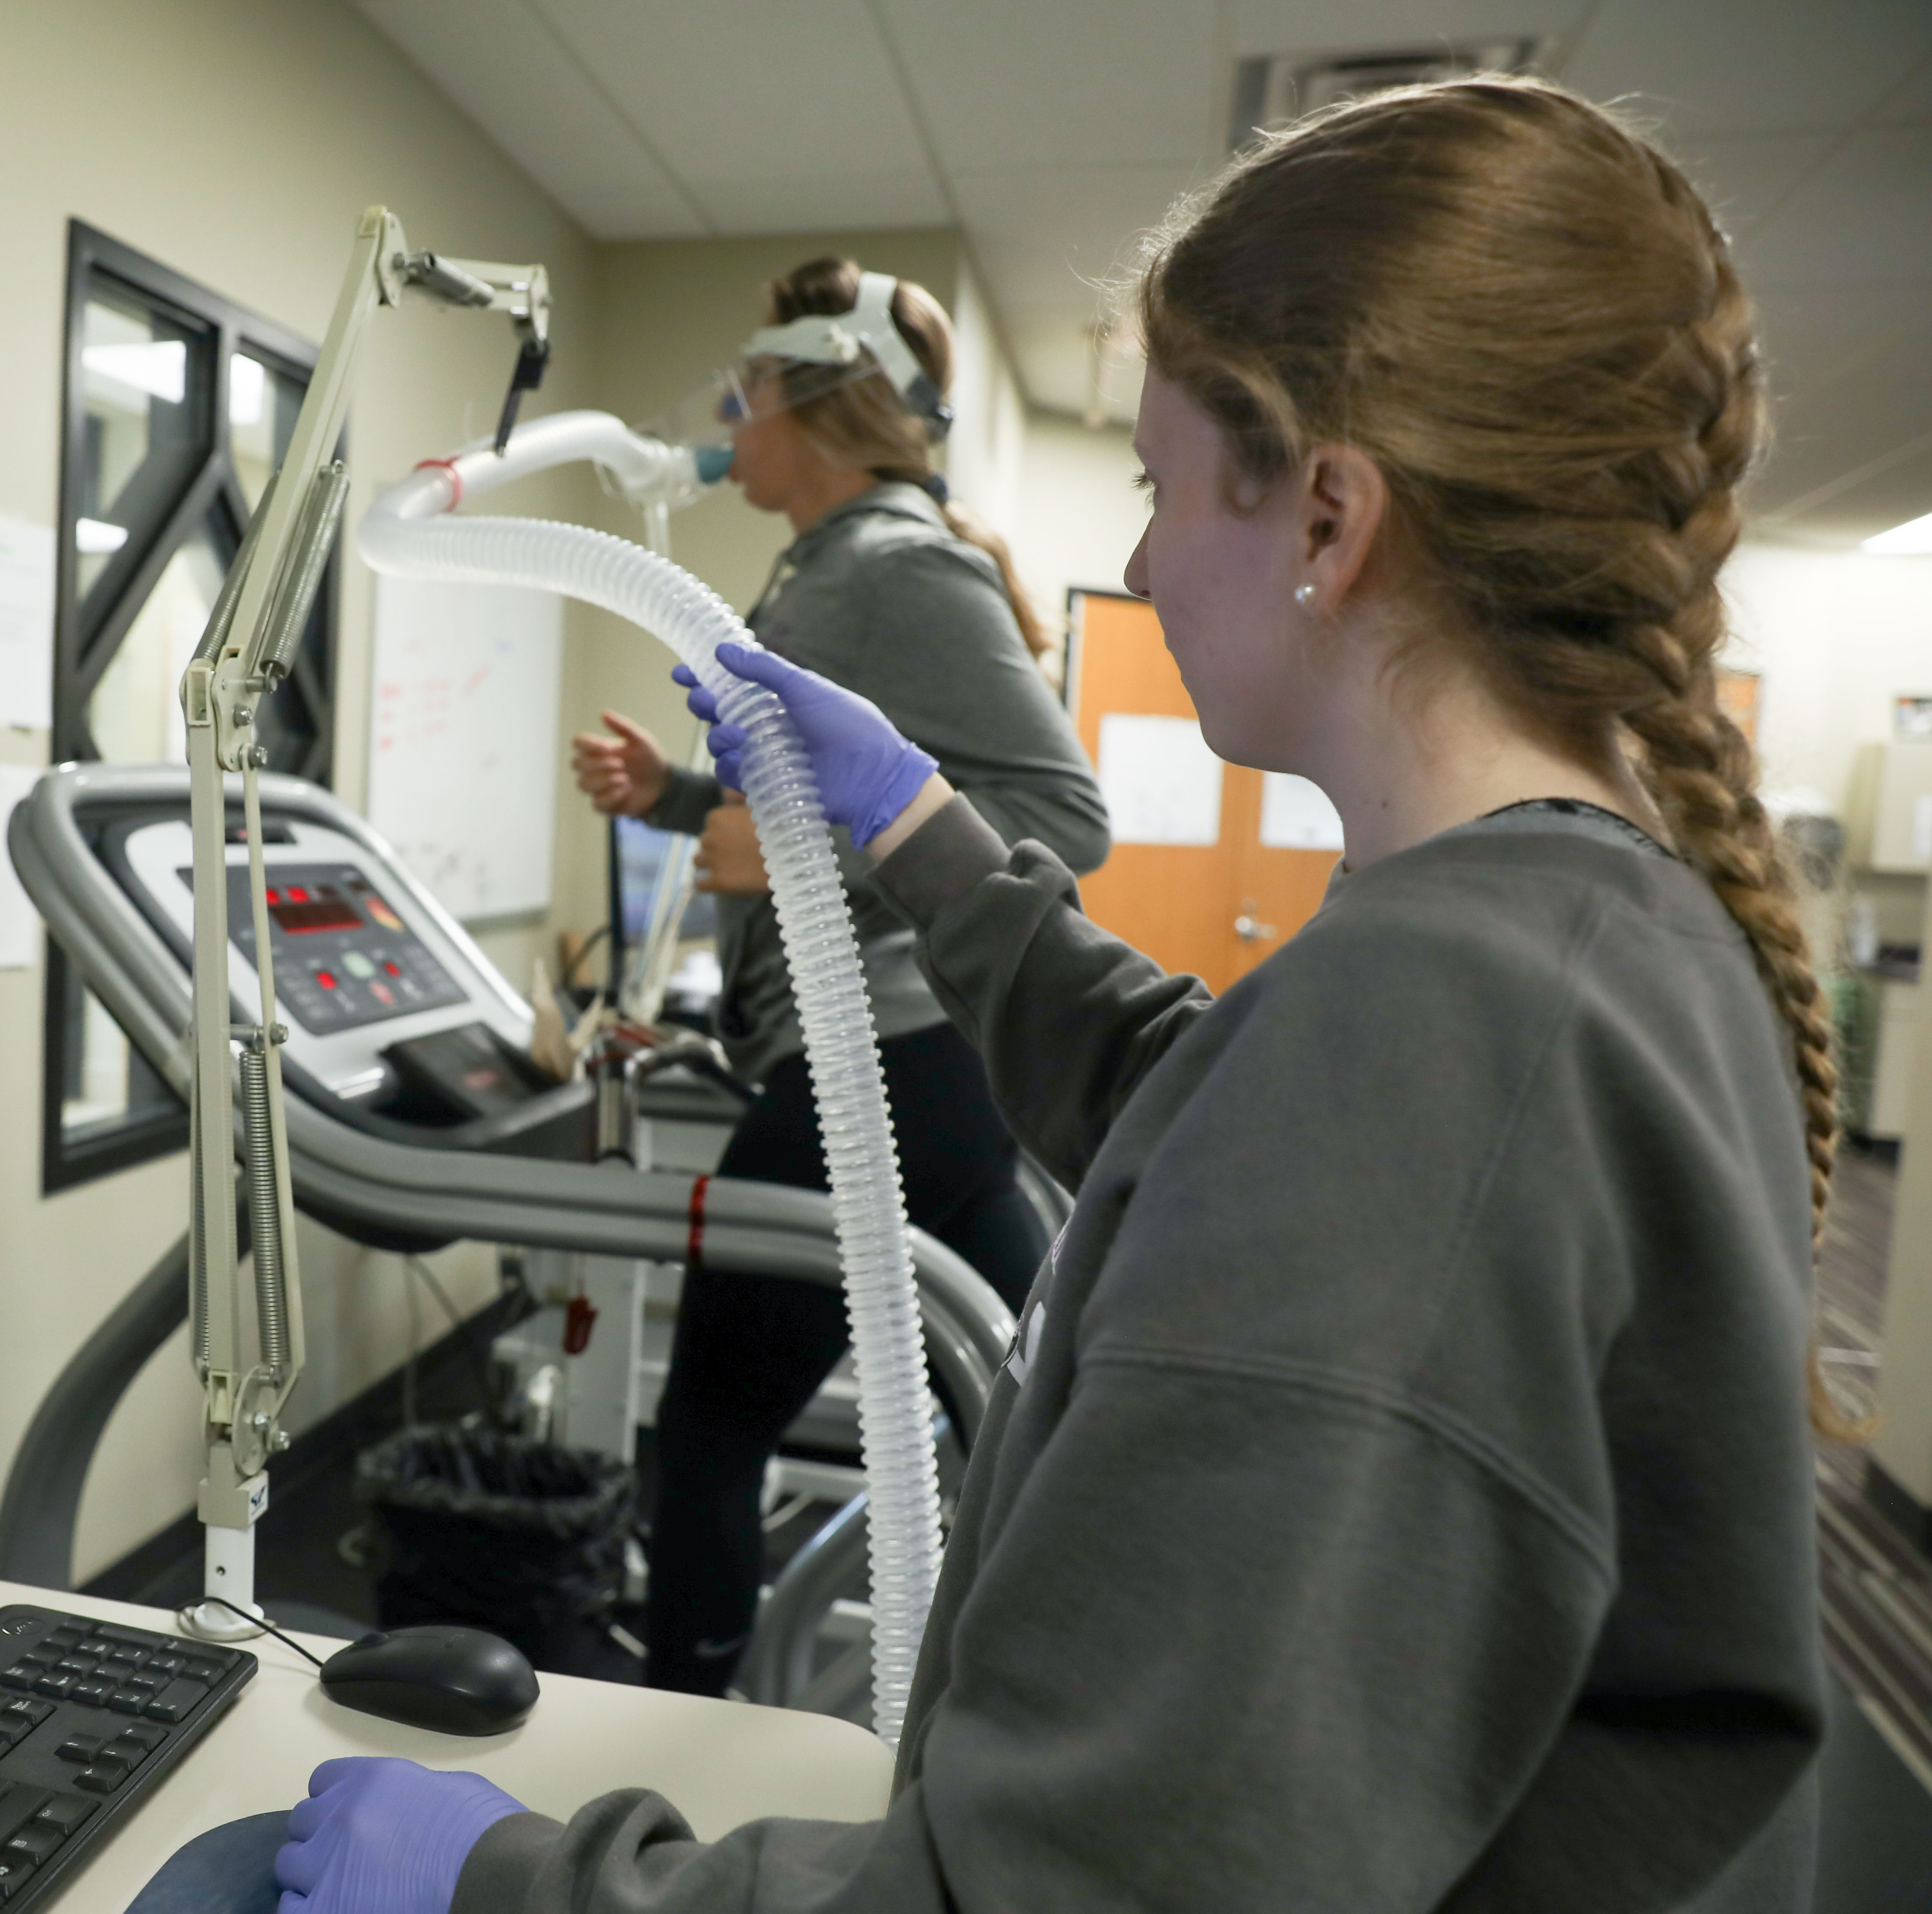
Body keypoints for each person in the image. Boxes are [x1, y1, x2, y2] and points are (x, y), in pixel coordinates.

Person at [275, 76, 1835, 1913]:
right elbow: (1220, 1107)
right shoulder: (1595, 949)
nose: (1148, 562)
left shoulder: (1447, 1021)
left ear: (1329, 514)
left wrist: (513, 1886)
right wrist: (921, 831)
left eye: (1167, 489)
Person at [572, 255, 1108, 1698]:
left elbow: (1067, 826)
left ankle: (678, 1724)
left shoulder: (896, 564)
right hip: (924, 1061)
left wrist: (792, 847)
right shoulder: (830, 561)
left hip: (880, 1056)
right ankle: (1077, 1679)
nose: (726, 414)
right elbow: (819, 799)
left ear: (810, 395)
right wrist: (683, 801)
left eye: (747, 386)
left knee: (706, 1428)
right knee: (1035, 1400)